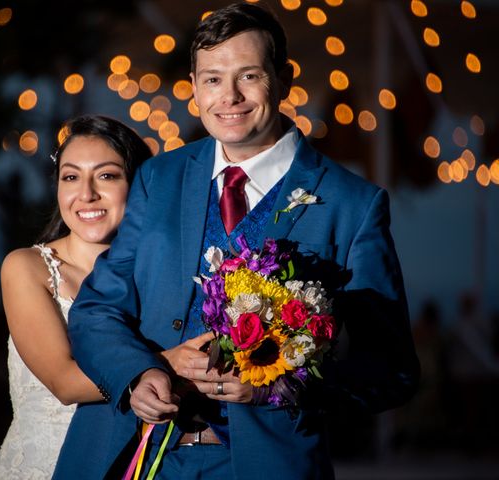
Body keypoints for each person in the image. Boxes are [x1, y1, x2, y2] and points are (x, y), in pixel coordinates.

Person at [54, 4, 419, 479]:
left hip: (266, 464)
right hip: (135, 456)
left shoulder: (351, 204)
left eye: (248, 76)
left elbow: (391, 371)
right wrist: (138, 374)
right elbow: (97, 309)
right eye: (211, 79)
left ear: (283, 78)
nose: (228, 97)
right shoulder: (157, 178)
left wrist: (278, 386)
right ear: (194, 84)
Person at [0, 115, 152, 479]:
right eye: (71, 177)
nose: (87, 193)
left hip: (130, 465)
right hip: (44, 465)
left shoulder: (156, 276)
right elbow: (64, 382)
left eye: (107, 175)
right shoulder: (27, 267)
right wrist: (169, 365)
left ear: (137, 184)